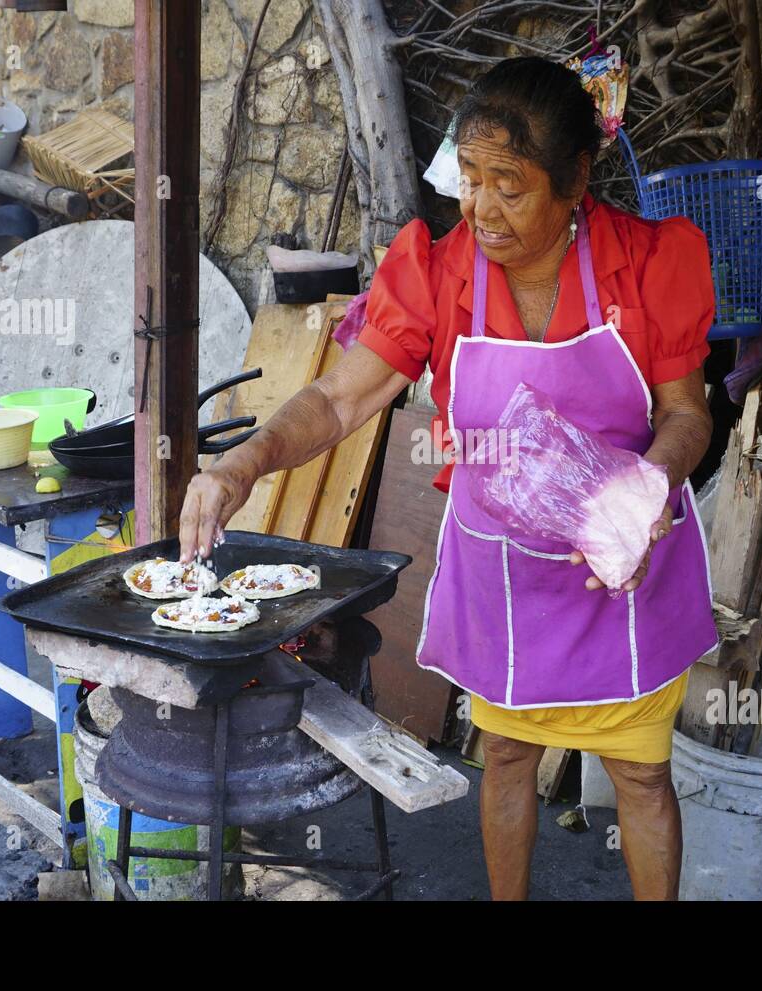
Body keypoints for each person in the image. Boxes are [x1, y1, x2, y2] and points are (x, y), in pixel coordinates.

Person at [180, 56, 717, 900]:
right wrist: (243, 462)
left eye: (510, 183)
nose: (482, 208)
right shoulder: (440, 274)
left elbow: (689, 412)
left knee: (642, 776)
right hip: (504, 580)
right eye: (470, 178)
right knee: (503, 756)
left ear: (575, 179)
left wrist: (649, 484)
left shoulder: (646, 266)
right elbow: (337, 398)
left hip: (625, 570)